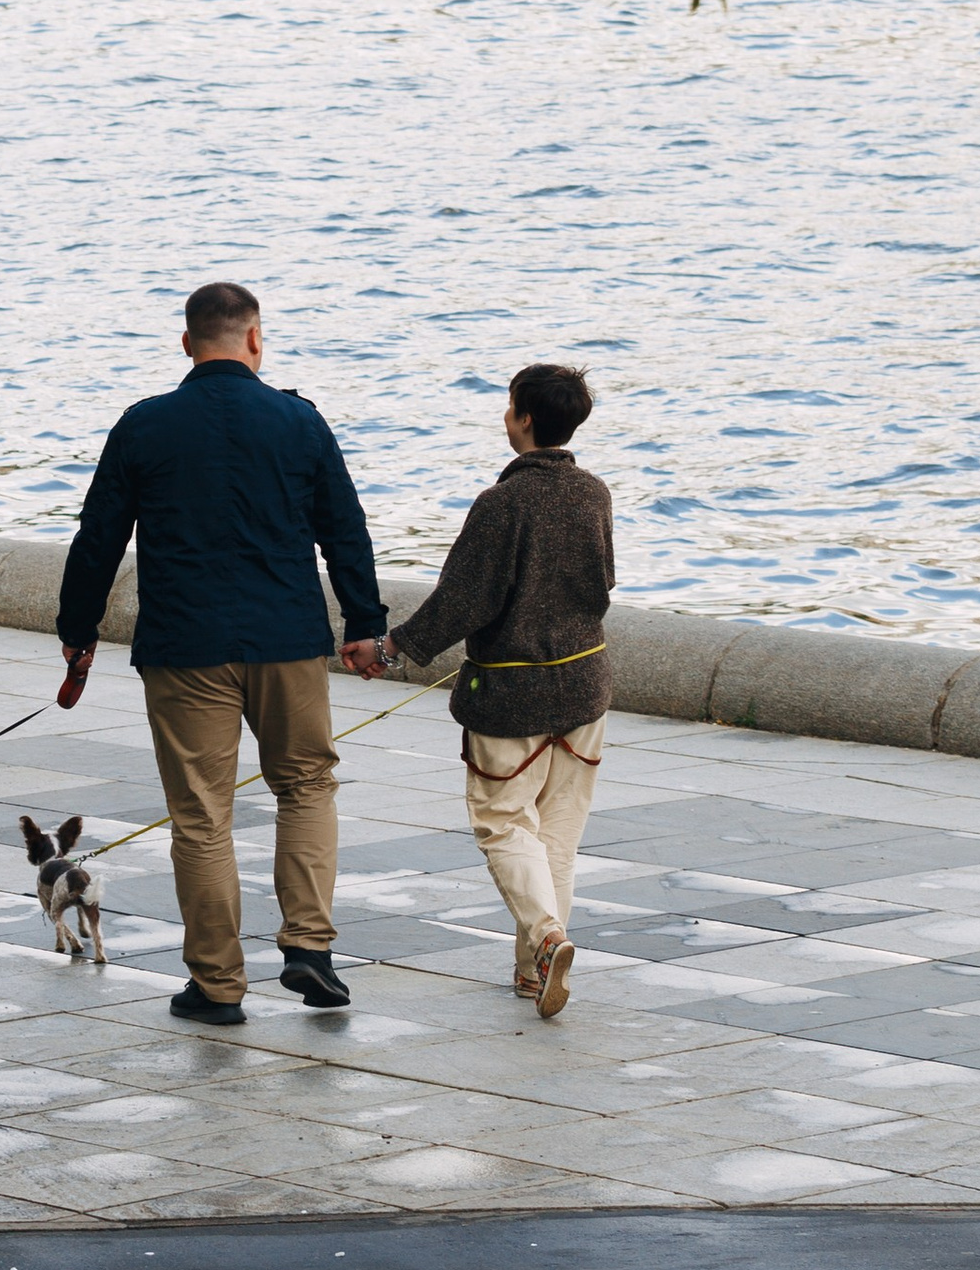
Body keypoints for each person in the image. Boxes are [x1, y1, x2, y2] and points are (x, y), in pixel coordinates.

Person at [58, 282, 387, 1029]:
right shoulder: (300, 421)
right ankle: (310, 948)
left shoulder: (144, 425)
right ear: (255, 340)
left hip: (185, 646)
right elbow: (346, 529)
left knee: (202, 816)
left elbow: (98, 538)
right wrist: (365, 622)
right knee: (305, 786)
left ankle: (217, 985)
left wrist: (77, 630)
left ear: (186, 344)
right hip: (287, 642)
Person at [380, 361, 612, 1024]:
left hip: (512, 695)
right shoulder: (595, 493)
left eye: (509, 406)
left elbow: (462, 600)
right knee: (557, 835)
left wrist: (398, 647)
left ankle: (545, 942)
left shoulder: (502, 503)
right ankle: (529, 970)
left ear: (525, 418)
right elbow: (603, 584)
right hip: (587, 687)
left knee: (504, 822)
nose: (505, 416)